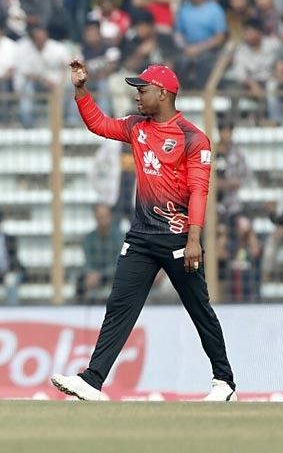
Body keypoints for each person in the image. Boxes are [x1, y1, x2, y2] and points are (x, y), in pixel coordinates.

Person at [51, 61, 236, 402]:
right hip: (141, 237)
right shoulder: (137, 127)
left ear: (163, 93)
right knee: (119, 306)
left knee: (200, 310)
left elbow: (199, 189)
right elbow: (100, 125)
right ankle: (93, 380)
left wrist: (194, 238)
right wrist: (80, 90)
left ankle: (224, 382)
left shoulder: (193, 138)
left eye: (142, 90)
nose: (137, 96)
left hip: (179, 239)